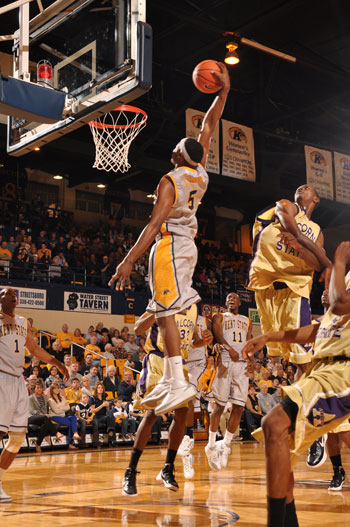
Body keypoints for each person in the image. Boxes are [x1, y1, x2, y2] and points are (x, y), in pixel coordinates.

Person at [109, 63, 231, 415]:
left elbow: (153, 224)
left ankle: (175, 377)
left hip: (170, 244)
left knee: (165, 310)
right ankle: (172, 376)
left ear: (179, 155)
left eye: (178, 145)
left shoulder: (171, 180)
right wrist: (223, 92)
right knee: (166, 311)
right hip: (186, 246)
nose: (176, 145)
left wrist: (129, 258)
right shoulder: (200, 174)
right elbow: (208, 126)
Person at [241, 241, 350, 527]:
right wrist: (269, 336)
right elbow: (318, 329)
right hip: (323, 369)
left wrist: (336, 262)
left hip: (342, 371)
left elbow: (339, 304)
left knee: (274, 424)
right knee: (279, 450)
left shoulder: (342, 278)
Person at [122, 303, 211, 496]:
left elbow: (193, 341)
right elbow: (138, 328)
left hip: (180, 363)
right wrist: (157, 310)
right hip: (158, 360)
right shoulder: (161, 299)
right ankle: (130, 471)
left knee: (182, 413)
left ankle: (168, 467)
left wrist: (202, 341)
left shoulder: (194, 308)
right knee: (152, 414)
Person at [248, 184, 331, 373]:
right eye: (300, 187)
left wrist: (301, 247)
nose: (301, 188)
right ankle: (296, 399)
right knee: (277, 355)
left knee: (302, 355)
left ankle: (315, 397)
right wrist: (325, 260)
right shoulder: (288, 205)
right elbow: (291, 228)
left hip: (295, 288)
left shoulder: (317, 231)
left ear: (315, 199)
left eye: (307, 188)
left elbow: (315, 264)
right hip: (265, 285)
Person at [0, 287, 68, 502]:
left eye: (13, 294)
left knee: (17, 438)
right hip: (1, 377)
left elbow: (34, 349)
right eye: (4, 293)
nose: (10, 296)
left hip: (18, 381)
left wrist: (57, 362)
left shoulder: (22, 321)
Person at [205, 292, 252, 470]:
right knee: (220, 406)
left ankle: (225, 444)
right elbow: (217, 336)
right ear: (225, 303)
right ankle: (210, 444)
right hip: (225, 361)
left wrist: (252, 359)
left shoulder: (246, 320)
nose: (231, 300)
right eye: (228, 298)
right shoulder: (219, 316)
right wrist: (230, 349)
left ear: (240, 302)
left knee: (239, 406)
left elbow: (248, 341)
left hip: (242, 364)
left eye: (234, 298)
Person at [28, 381, 63, 453]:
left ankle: (38, 445)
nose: (39, 389)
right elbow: (32, 411)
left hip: (43, 418)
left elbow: (46, 409)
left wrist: (47, 414)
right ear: (34, 389)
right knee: (45, 418)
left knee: (45, 425)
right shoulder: (30, 398)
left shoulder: (44, 397)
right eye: (37, 388)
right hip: (32, 417)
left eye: (41, 388)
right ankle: (56, 433)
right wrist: (43, 414)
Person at [48, 384, 81, 449]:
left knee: (73, 417)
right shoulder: (50, 400)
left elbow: (68, 407)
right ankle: (72, 441)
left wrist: (59, 407)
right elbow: (56, 411)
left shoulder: (62, 397)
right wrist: (63, 407)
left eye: (58, 388)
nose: (57, 389)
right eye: (55, 388)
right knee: (72, 423)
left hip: (63, 416)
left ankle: (74, 435)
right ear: (52, 390)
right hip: (54, 417)